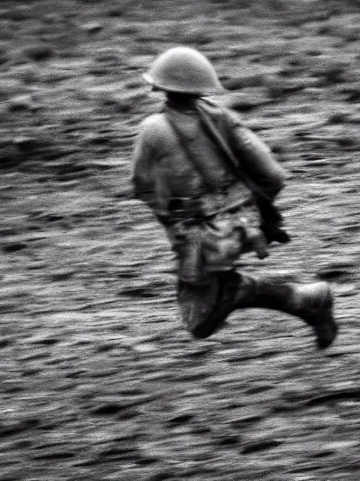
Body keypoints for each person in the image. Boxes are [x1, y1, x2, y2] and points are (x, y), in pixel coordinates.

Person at [130, 46, 337, 349]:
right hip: (243, 228)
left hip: (199, 239)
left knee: (200, 322)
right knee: (212, 301)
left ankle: (309, 298)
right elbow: (273, 174)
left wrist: (171, 219)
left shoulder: (152, 130)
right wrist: (255, 209)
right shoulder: (222, 119)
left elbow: (141, 186)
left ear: (158, 85)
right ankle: (305, 300)